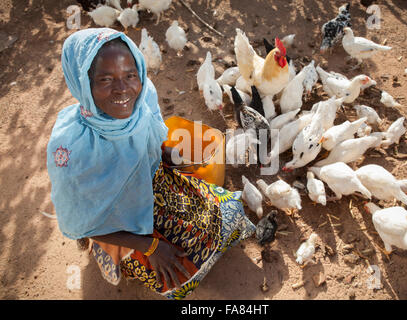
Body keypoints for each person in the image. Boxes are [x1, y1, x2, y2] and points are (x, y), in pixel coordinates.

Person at [47, 28, 256, 299]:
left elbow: (152, 142)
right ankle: (106, 249)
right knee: (179, 267)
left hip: (154, 186)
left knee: (226, 213)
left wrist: (167, 155)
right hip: (117, 226)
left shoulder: (142, 99)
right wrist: (149, 246)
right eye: (106, 79)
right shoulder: (73, 149)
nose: (123, 89)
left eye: (130, 75)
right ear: (84, 83)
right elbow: (80, 220)